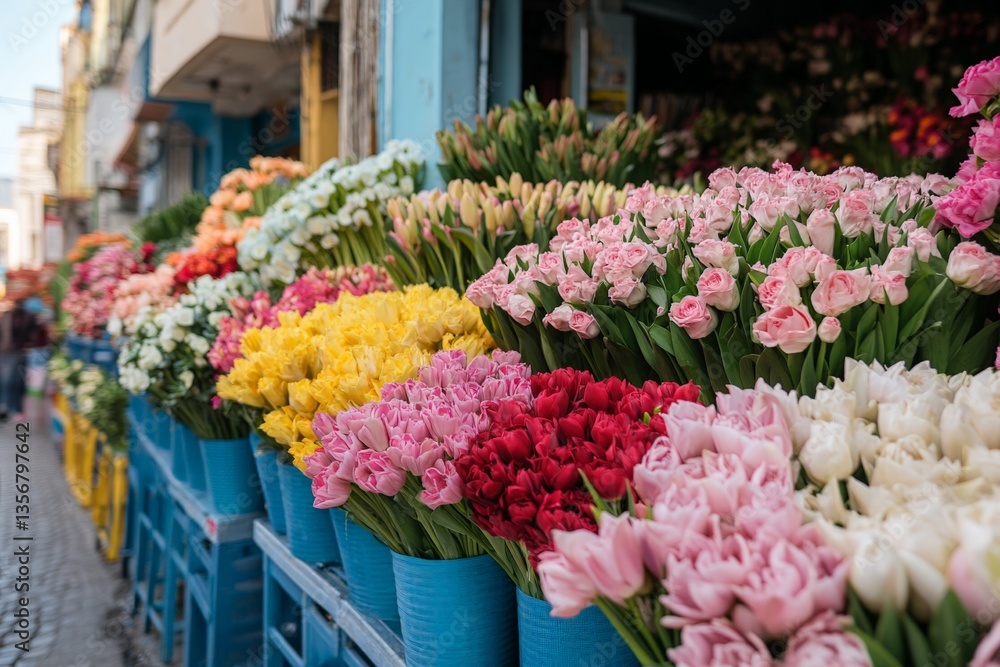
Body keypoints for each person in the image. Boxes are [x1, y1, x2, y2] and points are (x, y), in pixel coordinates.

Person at [0, 297, 48, 422]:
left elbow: (34, 335)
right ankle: (9, 407)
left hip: (16, 353)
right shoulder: (9, 316)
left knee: (13, 382)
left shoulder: (23, 317)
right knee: (9, 382)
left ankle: (13, 408)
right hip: (9, 353)